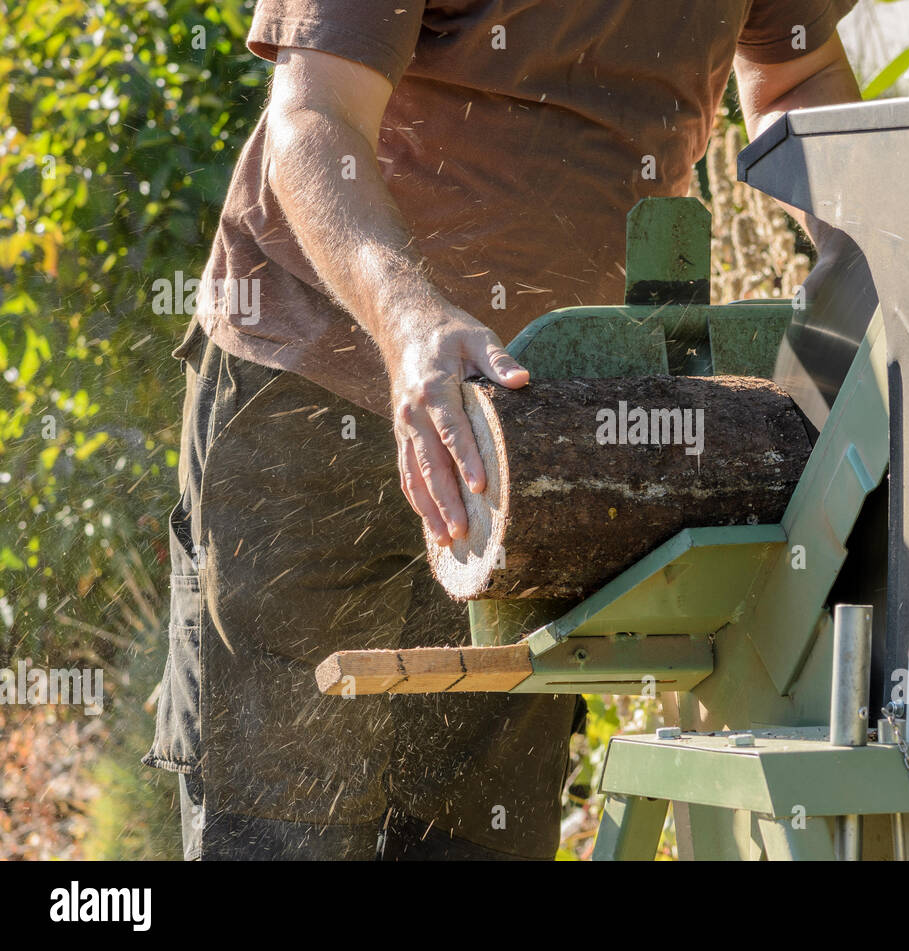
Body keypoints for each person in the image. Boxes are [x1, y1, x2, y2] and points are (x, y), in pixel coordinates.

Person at [144, 0, 862, 860]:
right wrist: (410, 326)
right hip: (311, 400)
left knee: (478, 837)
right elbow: (313, 113)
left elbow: (795, 73)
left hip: (543, 440)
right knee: (280, 836)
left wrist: (865, 257)